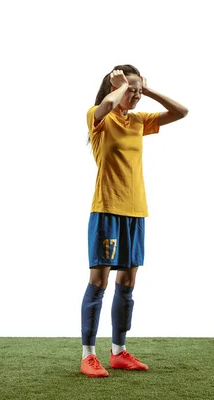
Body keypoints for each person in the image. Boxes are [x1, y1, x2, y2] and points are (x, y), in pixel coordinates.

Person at [80, 64, 188, 378]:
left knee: (127, 283)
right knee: (98, 282)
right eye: (132, 90)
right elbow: (109, 104)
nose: (137, 96)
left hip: (136, 212)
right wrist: (120, 86)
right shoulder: (98, 116)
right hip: (107, 210)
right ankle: (88, 355)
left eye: (138, 90)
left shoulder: (138, 122)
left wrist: (146, 87)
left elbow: (181, 111)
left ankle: (118, 352)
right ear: (114, 87)